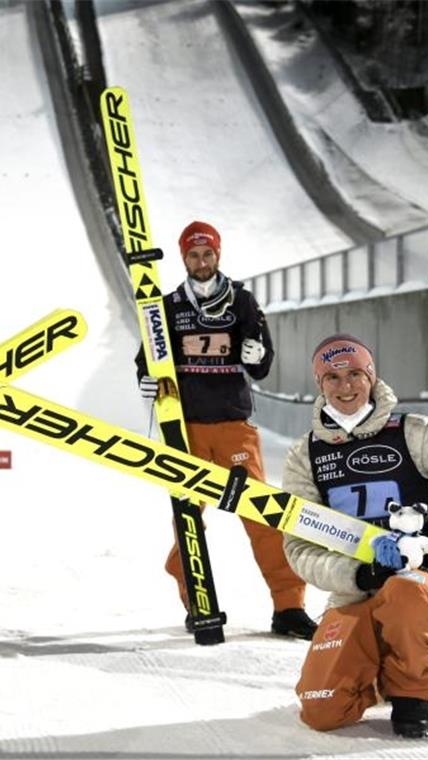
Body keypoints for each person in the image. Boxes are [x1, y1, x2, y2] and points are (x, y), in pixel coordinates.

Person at [281, 334, 428, 738]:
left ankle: (411, 695)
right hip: (354, 595)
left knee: (404, 594)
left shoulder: (416, 432)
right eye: (332, 377)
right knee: (323, 710)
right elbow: (299, 548)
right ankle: (378, 670)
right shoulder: (307, 454)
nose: (346, 386)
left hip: (420, 585)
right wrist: (360, 574)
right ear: (320, 385)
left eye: (355, 373)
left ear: (371, 377)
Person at [135, 221, 315, 639]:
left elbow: (263, 366)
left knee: (261, 517)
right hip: (187, 430)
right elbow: (146, 359)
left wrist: (258, 354)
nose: (202, 262)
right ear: (184, 258)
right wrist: (146, 378)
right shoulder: (166, 306)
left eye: (208, 254)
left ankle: (288, 606)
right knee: (187, 518)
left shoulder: (242, 301)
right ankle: (195, 597)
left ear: (218, 255)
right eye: (194, 255)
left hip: (234, 426)